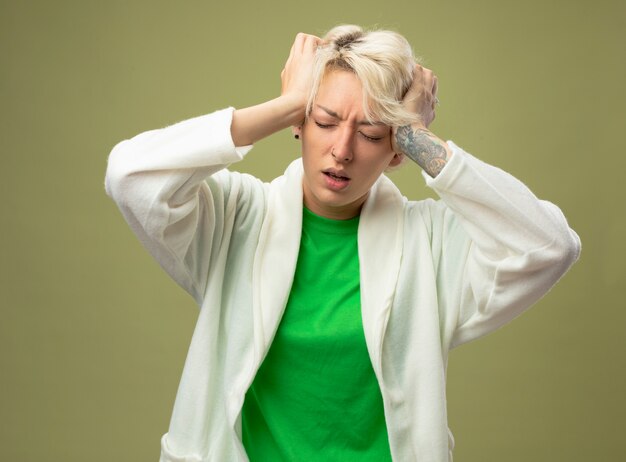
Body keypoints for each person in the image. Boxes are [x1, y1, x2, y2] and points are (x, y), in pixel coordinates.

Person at [105, 25, 580, 462]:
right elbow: (131, 178)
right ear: (299, 125)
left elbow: (550, 245)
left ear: (396, 153)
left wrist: (418, 137)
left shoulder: (430, 243)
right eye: (325, 121)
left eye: (372, 133)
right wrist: (288, 102)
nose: (343, 149)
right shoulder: (235, 218)